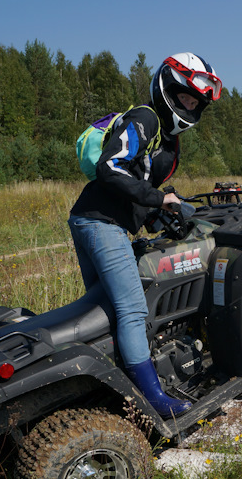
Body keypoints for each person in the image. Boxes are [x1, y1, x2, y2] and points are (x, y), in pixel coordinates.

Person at [68, 52, 222, 418]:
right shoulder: (145, 118)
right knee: (134, 310)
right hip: (100, 223)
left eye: (195, 102)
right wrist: (159, 198)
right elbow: (110, 167)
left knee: (105, 312)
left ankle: (111, 392)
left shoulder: (168, 139)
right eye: (185, 97)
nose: (189, 106)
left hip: (98, 221)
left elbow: (139, 185)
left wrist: (163, 210)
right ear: (168, 88)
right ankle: (154, 399)